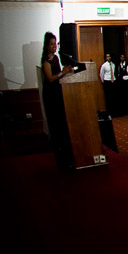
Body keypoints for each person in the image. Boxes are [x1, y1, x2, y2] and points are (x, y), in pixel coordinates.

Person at [41, 32, 75, 169]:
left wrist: (67, 72)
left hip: (58, 92)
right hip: (50, 95)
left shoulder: (56, 58)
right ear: (46, 46)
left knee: (62, 124)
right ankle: (59, 157)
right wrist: (64, 72)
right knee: (55, 124)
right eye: (51, 44)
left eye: (55, 44)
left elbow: (60, 74)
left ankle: (67, 155)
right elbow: (50, 78)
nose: (54, 47)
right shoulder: (45, 60)